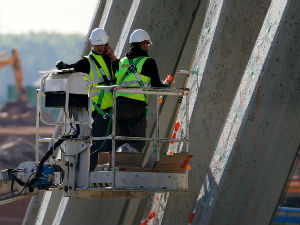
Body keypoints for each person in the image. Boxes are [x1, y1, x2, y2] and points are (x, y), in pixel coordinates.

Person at [56, 28, 118, 170]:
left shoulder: (110, 60)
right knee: (98, 143)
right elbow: (73, 68)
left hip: (113, 109)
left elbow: (120, 72)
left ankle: (105, 171)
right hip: (100, 111)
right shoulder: (87, 62)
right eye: (97, 45)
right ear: (92, 45)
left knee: (111, 143)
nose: (100, 47)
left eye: (102, 45)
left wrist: (114, 57)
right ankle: (86, 171)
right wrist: (64, 66)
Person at [115, 29, 166, 153]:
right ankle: (131, 163)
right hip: (135, 107)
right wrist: (166, 85)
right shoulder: (148, 62)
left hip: (119, 106)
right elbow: (156, 85)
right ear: (143, 44)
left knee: (120, 138)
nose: (147, 47)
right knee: (138, 140)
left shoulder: (122, 62)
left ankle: (120, 162)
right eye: (147, 44)